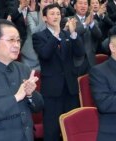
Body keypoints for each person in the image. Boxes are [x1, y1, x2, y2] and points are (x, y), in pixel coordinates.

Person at [32, 4, 85, 141]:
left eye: (58, 13)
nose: (56, 16)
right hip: (52, 90)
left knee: (73, 126)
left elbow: (80, 53)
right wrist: (55, 35)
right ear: (44, 18)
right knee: (52, 128)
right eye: (52, 14)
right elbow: (45, 54)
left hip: (70, 87)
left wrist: (73, 34)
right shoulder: (38, 36)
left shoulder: (68, 35)